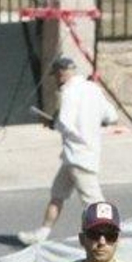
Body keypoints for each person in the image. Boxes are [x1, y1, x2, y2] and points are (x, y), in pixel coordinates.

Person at [19, 56, 118, 246]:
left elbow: (64, 122)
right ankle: (42, 233)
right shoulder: (93, 89)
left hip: (78, 154)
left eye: (56, 76)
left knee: (94, 202)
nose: (56, 80)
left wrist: (55, 125)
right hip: (77, 155)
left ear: (61, 73)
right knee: (57, 193)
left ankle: (110, 236)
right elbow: (111, 115)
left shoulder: (69, 91)